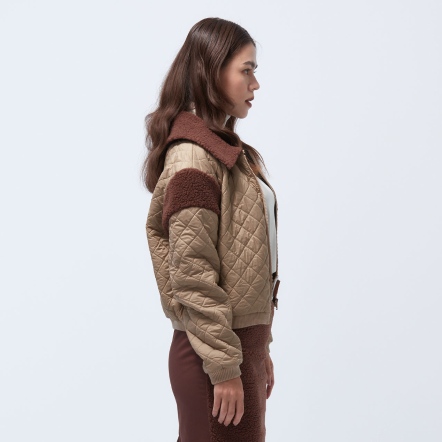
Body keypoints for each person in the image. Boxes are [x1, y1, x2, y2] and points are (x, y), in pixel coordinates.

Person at [142, 17, 281, 442]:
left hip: (235, 350)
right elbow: (193, 273)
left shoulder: (229, 155)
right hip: (212, 357)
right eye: (246, 70)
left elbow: (246, 263)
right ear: (212, 71)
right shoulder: (193, 158)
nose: (255, 84)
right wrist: (224, 366)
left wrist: (259, 349)